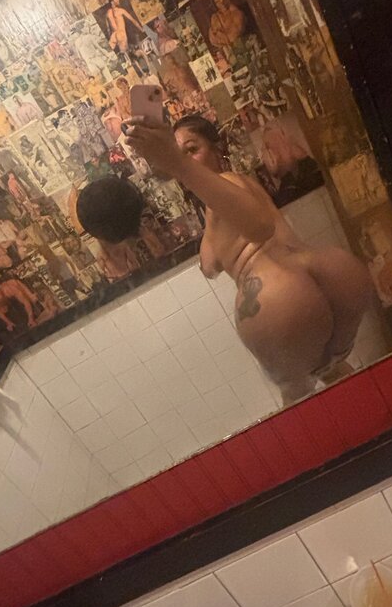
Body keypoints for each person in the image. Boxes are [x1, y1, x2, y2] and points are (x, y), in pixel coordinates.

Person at [123, 113, 373, 401]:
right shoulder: (242, 184)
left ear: (218, 149)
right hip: (331, 271)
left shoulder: (225, 186)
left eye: (192, 149)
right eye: (179, 153)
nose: (185, 160)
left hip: (277, 298)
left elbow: (218, 259)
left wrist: (180, 166)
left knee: (297, 399)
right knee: (332, 369)